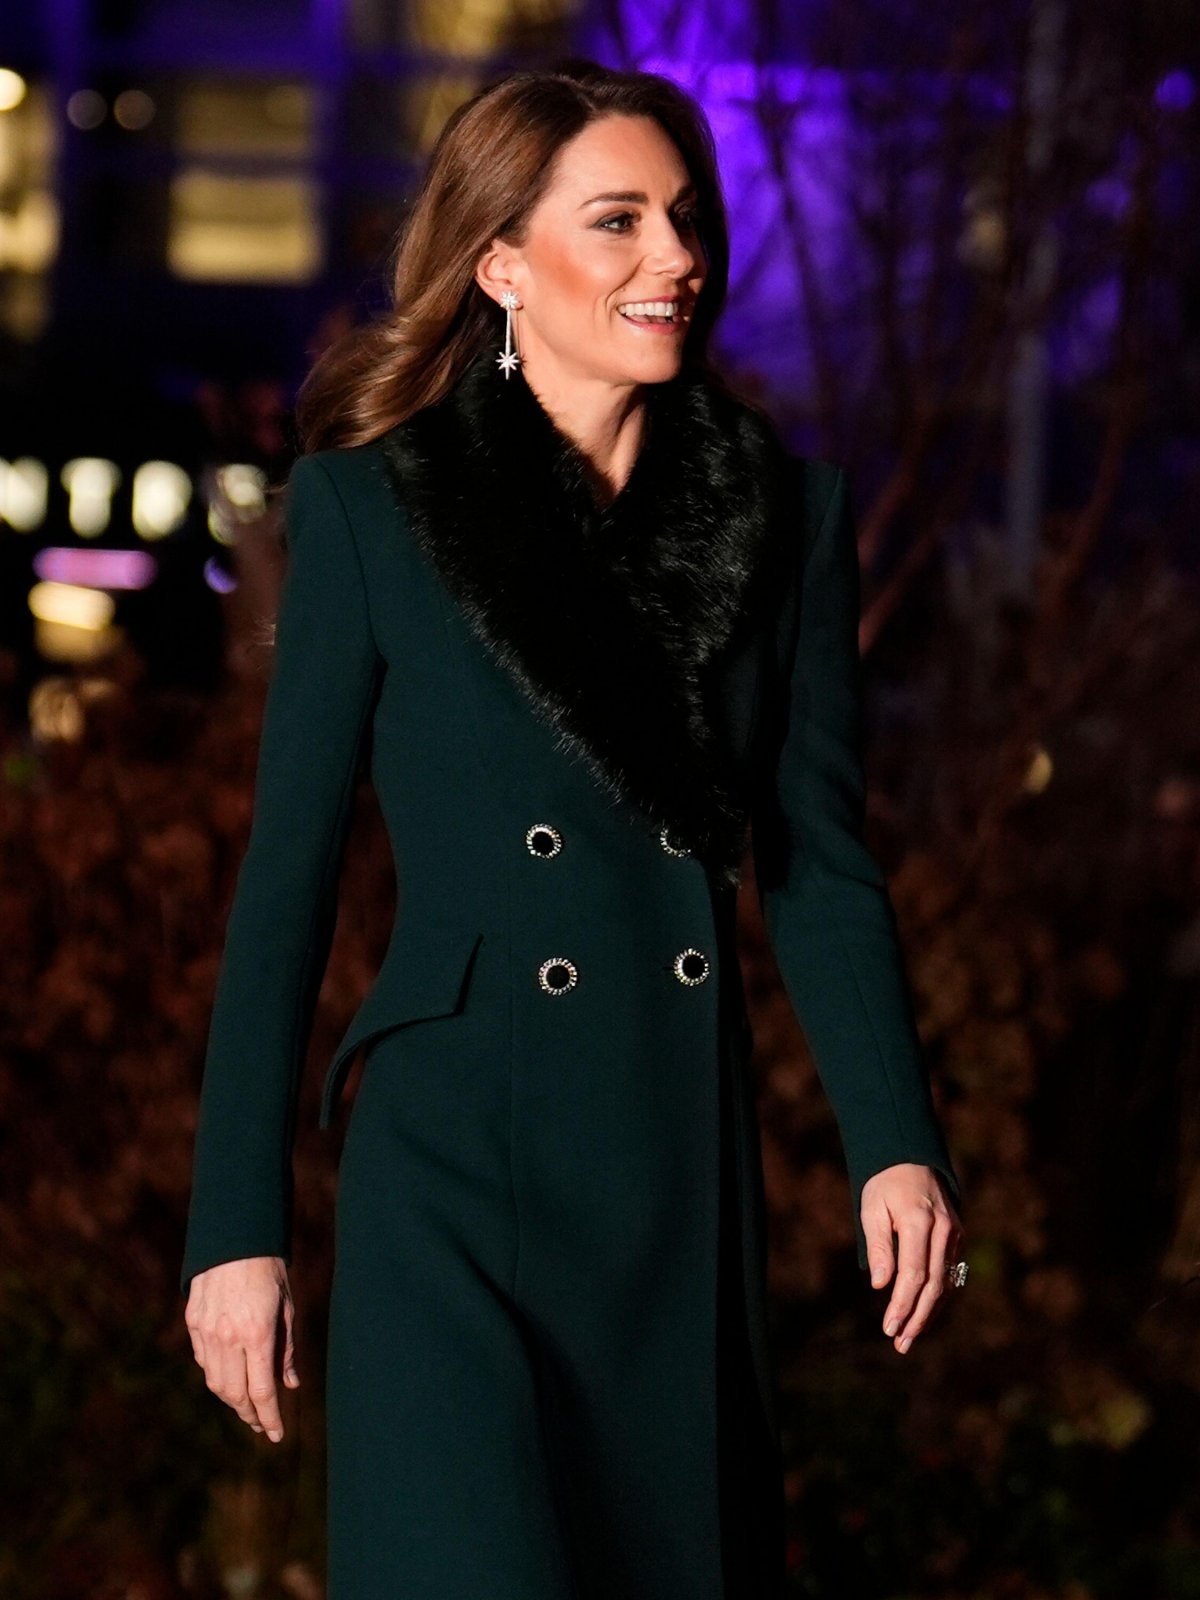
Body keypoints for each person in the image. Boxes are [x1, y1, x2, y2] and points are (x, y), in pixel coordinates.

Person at [180, 58, 966, 1600]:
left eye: (683, 220)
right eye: (617, 221)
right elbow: (286, 889)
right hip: (448, 1170)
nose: (675, 259)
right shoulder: (370, 514)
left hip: (676, 1167)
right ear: (500, 265)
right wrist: (235, 1232)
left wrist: (895, 1141)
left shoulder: (783, 517)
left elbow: (812, 857)